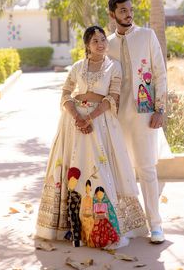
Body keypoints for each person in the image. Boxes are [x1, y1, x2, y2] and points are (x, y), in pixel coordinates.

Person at [36, 25, 148, 248]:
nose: (101, 44)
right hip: (73, 124)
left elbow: (112, 97)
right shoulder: (78, 67)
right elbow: (66, 93)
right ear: (87, 45)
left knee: (100, 168)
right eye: (95, 41)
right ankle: (70, 228)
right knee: (74, 167)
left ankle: (103, 227)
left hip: (101, 123)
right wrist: (78, 116)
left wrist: (90, 118)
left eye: (103, 40)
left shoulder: (113, 67)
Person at [107, 0, 172, 243]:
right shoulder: (108, 43)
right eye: (123, 11)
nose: (129, 14)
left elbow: (160, 73)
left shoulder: (147, 36)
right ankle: (127, 224)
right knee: (119, 170)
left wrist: (160, 109)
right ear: (112, 15)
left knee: (146, 168)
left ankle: (156, 225)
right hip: (115, 116)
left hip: (144, 112)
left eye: (130, 10)